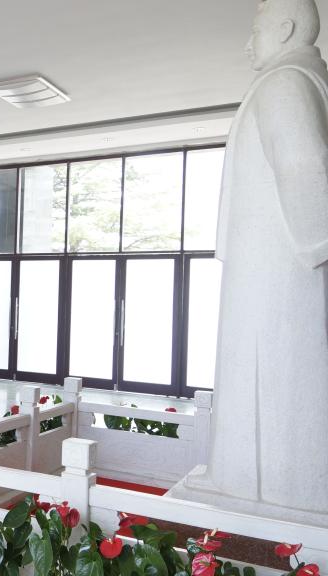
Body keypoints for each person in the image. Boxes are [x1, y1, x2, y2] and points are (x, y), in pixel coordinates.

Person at [174, 0, 328, 516]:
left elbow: (306, 164)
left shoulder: (285, 82)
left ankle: (256, 483)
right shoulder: (308, 80)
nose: (247, 45)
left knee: (267, 369)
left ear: (284, 28)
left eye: (256, 30)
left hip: (277, 266)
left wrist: (317, 243)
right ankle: (252, 478)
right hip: (278, 260)